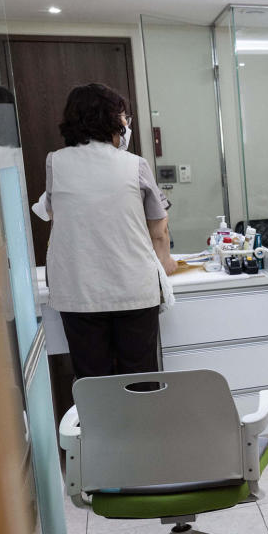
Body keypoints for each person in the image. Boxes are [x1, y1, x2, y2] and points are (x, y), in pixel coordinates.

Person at [45, 83, 177, 380]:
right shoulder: (135, 165)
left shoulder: (55, 162)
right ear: (111, 118)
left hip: (79, 291)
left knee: (92, 380)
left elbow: (56, 215)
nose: (126, 122)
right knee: (140, 375)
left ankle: (100, 428)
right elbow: (159, 229)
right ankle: (142, 427)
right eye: (123, 115)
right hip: (133, 289)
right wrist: (166, 261)